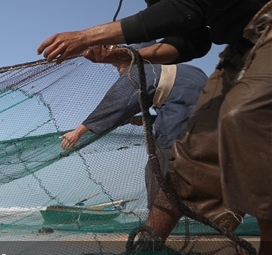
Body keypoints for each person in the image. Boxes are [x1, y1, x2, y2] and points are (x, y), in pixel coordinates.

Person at [37, 0, 272, 255]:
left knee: (244, 116)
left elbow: (183, 9)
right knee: (190, 153)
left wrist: (87, 37)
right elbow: (190, 40)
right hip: (246, 39)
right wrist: (124, 54)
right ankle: (147, 250)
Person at [61, 53, 207, 208]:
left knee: (158, 169)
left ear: (130, 59)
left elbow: (117, 103)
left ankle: (157, 223)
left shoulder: (138, 70)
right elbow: (186, 107)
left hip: (187, 129)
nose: (118, 71)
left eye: (117, 66)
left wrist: (78, 131)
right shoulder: (187, 70)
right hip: (210, 122)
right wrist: (149, 120)